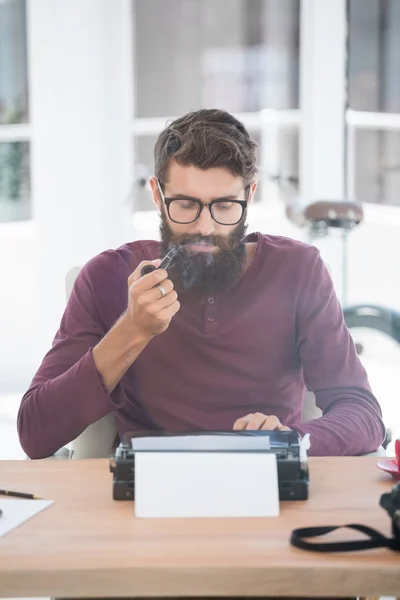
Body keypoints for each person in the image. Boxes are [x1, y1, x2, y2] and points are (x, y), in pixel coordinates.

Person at [17, 109, 385, 460]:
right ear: (158, 196)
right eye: (186, 205)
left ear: (249, 195)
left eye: (225, 206)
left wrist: (289, 441)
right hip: (143, 493)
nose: (205, 228)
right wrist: (131, 330)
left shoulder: (299, 270)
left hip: (267, 483)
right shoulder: (106, 276)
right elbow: (35, 433)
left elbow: (362, 412)